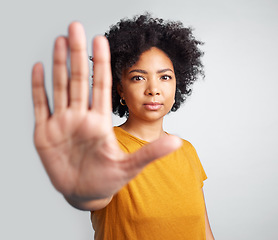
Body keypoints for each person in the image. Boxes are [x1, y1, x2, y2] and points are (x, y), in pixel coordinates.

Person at [32, 13, 214, 240]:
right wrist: (84, 190)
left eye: (165, 77)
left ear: (178, 82)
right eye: (138, 78)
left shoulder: (187, 151)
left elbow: (204, 233)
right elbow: (93, 195)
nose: (153, 89)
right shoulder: (105, 146)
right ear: (120, 89)